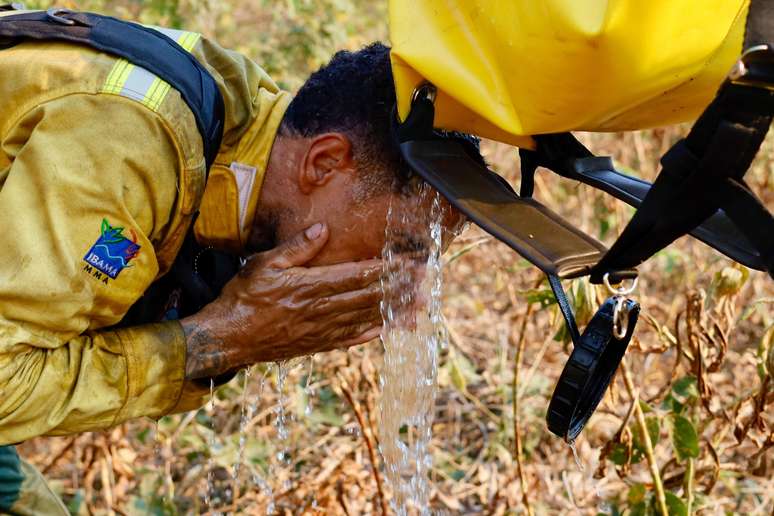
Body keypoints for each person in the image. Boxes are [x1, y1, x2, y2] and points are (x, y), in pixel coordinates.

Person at [0, 12, 476, 513]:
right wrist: (221, 340)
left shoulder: (247, 134)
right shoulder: (133, 149)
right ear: (324, 163)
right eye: (401, 245)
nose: (407, 288)